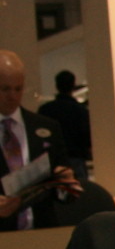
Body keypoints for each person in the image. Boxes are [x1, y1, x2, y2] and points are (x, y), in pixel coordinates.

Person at [0, 50, 86, 231]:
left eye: (18, 88)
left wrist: (66, 183)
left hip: (42, 238)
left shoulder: (46, 127)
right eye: (5, 89)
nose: (13, 96)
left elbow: (66, 194)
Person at [38, 70, 92, 176]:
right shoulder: (80, 110)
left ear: (57, 85)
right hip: (76, 158)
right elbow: (87, 137)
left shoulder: (45, 109)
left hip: (52, 161)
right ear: (73, 86)